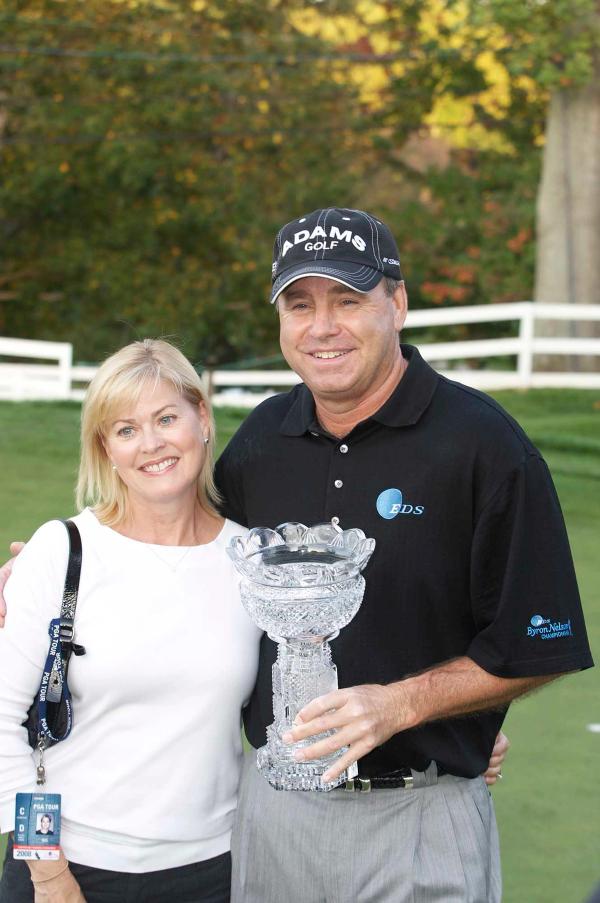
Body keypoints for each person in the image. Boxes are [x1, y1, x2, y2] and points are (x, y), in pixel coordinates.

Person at [212, 207, 594, 903]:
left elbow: (539, 642)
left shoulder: (483, 445)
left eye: (348, 300)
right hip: (274, 815)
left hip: (420, 817)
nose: (321, 326)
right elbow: (179, 552)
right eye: (300, 304)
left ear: (398, 302)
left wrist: (405, 705)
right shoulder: (262, 440)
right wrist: (53, 566)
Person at [0, 339, 261, 903]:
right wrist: (47, 874)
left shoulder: (252, 562)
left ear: (203, 418)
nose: (151, 444)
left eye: (167, 418)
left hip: (213, 872)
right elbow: (2, 725)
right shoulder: (60, 550)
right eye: (125, 429)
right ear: (106, 449)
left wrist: (447, 735)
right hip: (68, 872)